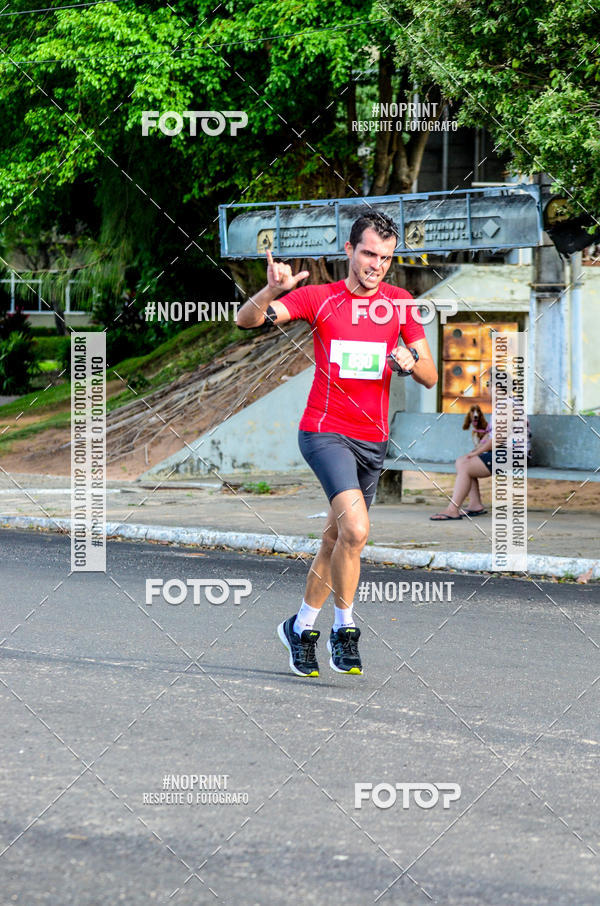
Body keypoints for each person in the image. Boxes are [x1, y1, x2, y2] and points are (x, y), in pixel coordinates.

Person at [236, 212, 438, 676]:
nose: (377, 265)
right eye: (369, 254)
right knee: (356, 533)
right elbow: (246, 321)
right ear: (349, 251)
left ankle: (300, 625)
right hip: (325, 431)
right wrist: (271, 290)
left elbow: (429, 376)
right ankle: (344, 630)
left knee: (335, 538)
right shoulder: (320, 298)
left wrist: (409, 361)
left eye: (386, 258)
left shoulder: (401, 303)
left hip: (372, 440)